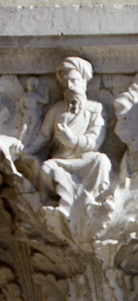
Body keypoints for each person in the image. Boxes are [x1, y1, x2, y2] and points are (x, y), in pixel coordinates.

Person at [37, 57, 111, 199]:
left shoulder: (95, 108)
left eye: (74, 81)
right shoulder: (57, 109)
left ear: (84, 82)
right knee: (46, 168)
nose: (70, 86)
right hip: (61, 160)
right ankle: (54, 202)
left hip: (85, 159)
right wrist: (21, 149)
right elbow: (42, 137)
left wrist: (73, 140)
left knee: (102, 161)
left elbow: (95, 140)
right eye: (66, 83)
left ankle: (91, 201)